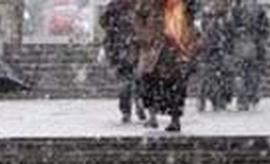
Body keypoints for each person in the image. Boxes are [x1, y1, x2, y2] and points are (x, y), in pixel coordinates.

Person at [135, 0, 199, 132]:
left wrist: (188, 42)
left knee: (176, 85)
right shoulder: (148, 4)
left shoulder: (181, 5)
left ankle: (175, 118)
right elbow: (139, 18)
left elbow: (189, 22)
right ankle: (153, 116)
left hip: (176, 49)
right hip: (154, 49)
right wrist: (145, 36)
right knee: (149, 82)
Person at [101, 0, 146, 123]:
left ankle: (127, 110)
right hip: (132, 48)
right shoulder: (137, 5)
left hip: (123, 49)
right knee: (137, 80)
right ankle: (137, 104)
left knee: (126, 81)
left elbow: (104, 23)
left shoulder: (115, 6)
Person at [231, 0, 270, 110]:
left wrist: (256, 35)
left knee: (250, 76)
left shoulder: (258, 10)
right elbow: (231, 28)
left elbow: (265, 29)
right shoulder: (237, 9)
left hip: (252, 50)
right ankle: (245, 98)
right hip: (243, 49)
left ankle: (250, 97)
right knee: (243, 76)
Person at [196, 0, 235, 113]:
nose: (217, 4)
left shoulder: (226, 17)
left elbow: (230, 34)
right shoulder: (206, 16)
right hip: (209, 52)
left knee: (223, 77)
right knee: (207, 78)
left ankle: (220, 100)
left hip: (221, 52)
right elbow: (202, 32)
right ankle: (207, 100)